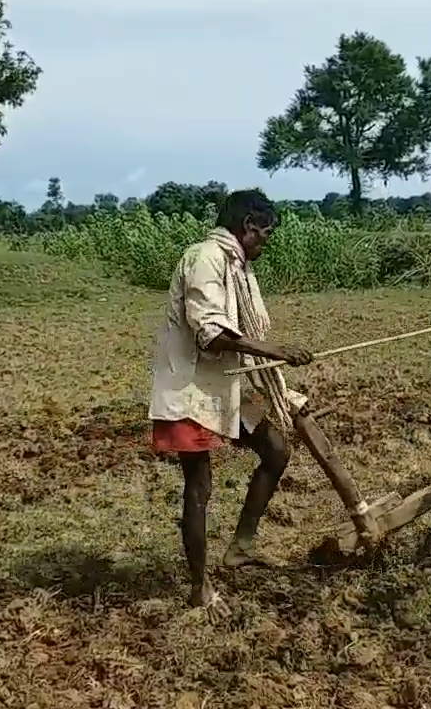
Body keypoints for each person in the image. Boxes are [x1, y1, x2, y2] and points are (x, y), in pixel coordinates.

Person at [148, 188, 314, 609]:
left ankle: (240, 547)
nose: (267, 243)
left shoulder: (236, 266)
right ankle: (199, 588)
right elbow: (211, 333)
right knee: (199, 486)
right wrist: (273, 350)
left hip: (226, 383)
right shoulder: (204, 258)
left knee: (276, 452)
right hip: (190, 388)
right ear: (248, 227)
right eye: (266, 235)